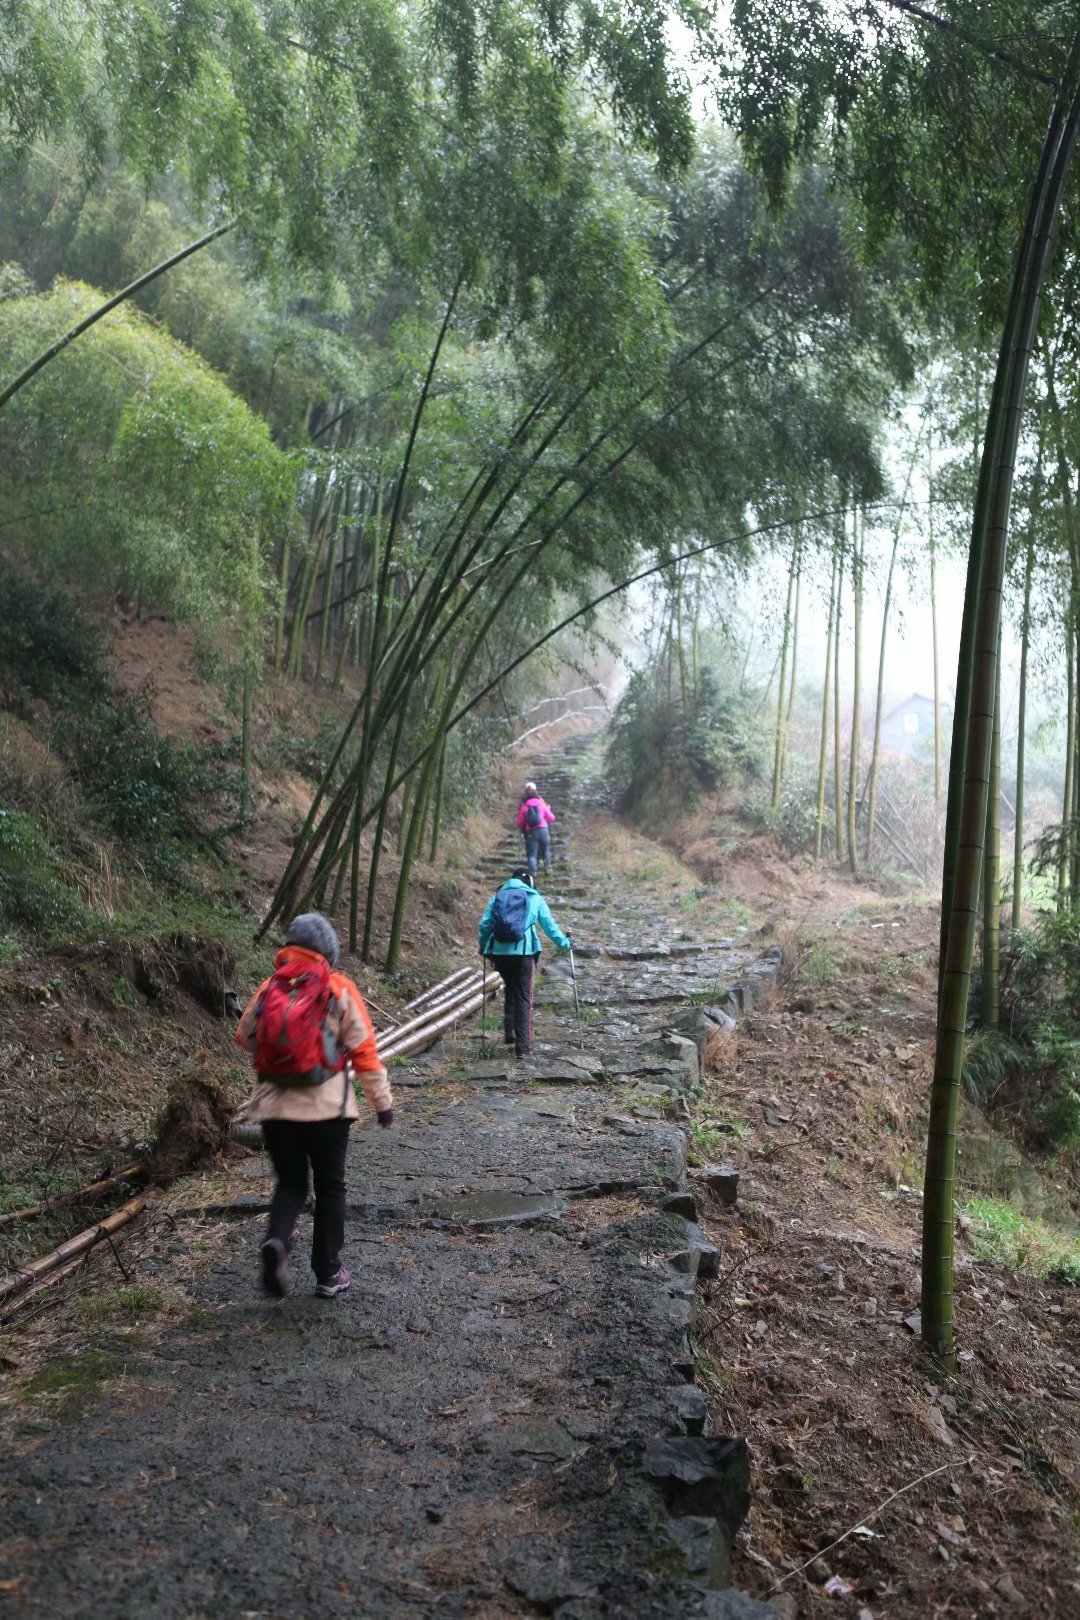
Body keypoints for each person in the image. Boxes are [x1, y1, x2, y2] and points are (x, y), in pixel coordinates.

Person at [234, 912, 392, 1300]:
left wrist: (283, 1059)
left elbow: (244, 1036)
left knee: (290, 1183)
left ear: (290, 946)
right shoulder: (338, 988)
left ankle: (277, 1243)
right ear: (329, 952)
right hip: (327, 1110)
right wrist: (382, 1102)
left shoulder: (271, 986)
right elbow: (364, 1052)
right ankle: (328, 1272)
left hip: (275, 1109)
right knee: (330, 1187)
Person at [478, 868, 571, 1057]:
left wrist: (484, 947)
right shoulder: (534, 898)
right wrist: (565, 944)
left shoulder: (498, 896)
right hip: (523, 953)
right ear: (529, 881)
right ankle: (523, 1048)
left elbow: (485, 925)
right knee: (523, 997)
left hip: (498, 952)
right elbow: (549, 926)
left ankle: (509, 1032)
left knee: (511, 988)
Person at [516, 780, 557, 878]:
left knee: (532, 853)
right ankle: (548, 868)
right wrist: (548, 810)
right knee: (546, 850)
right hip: (543, 830)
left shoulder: (525, 807)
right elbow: (552, 818)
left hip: (530, 832)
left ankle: (533, 872)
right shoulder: (541, 804)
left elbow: (519, 823)